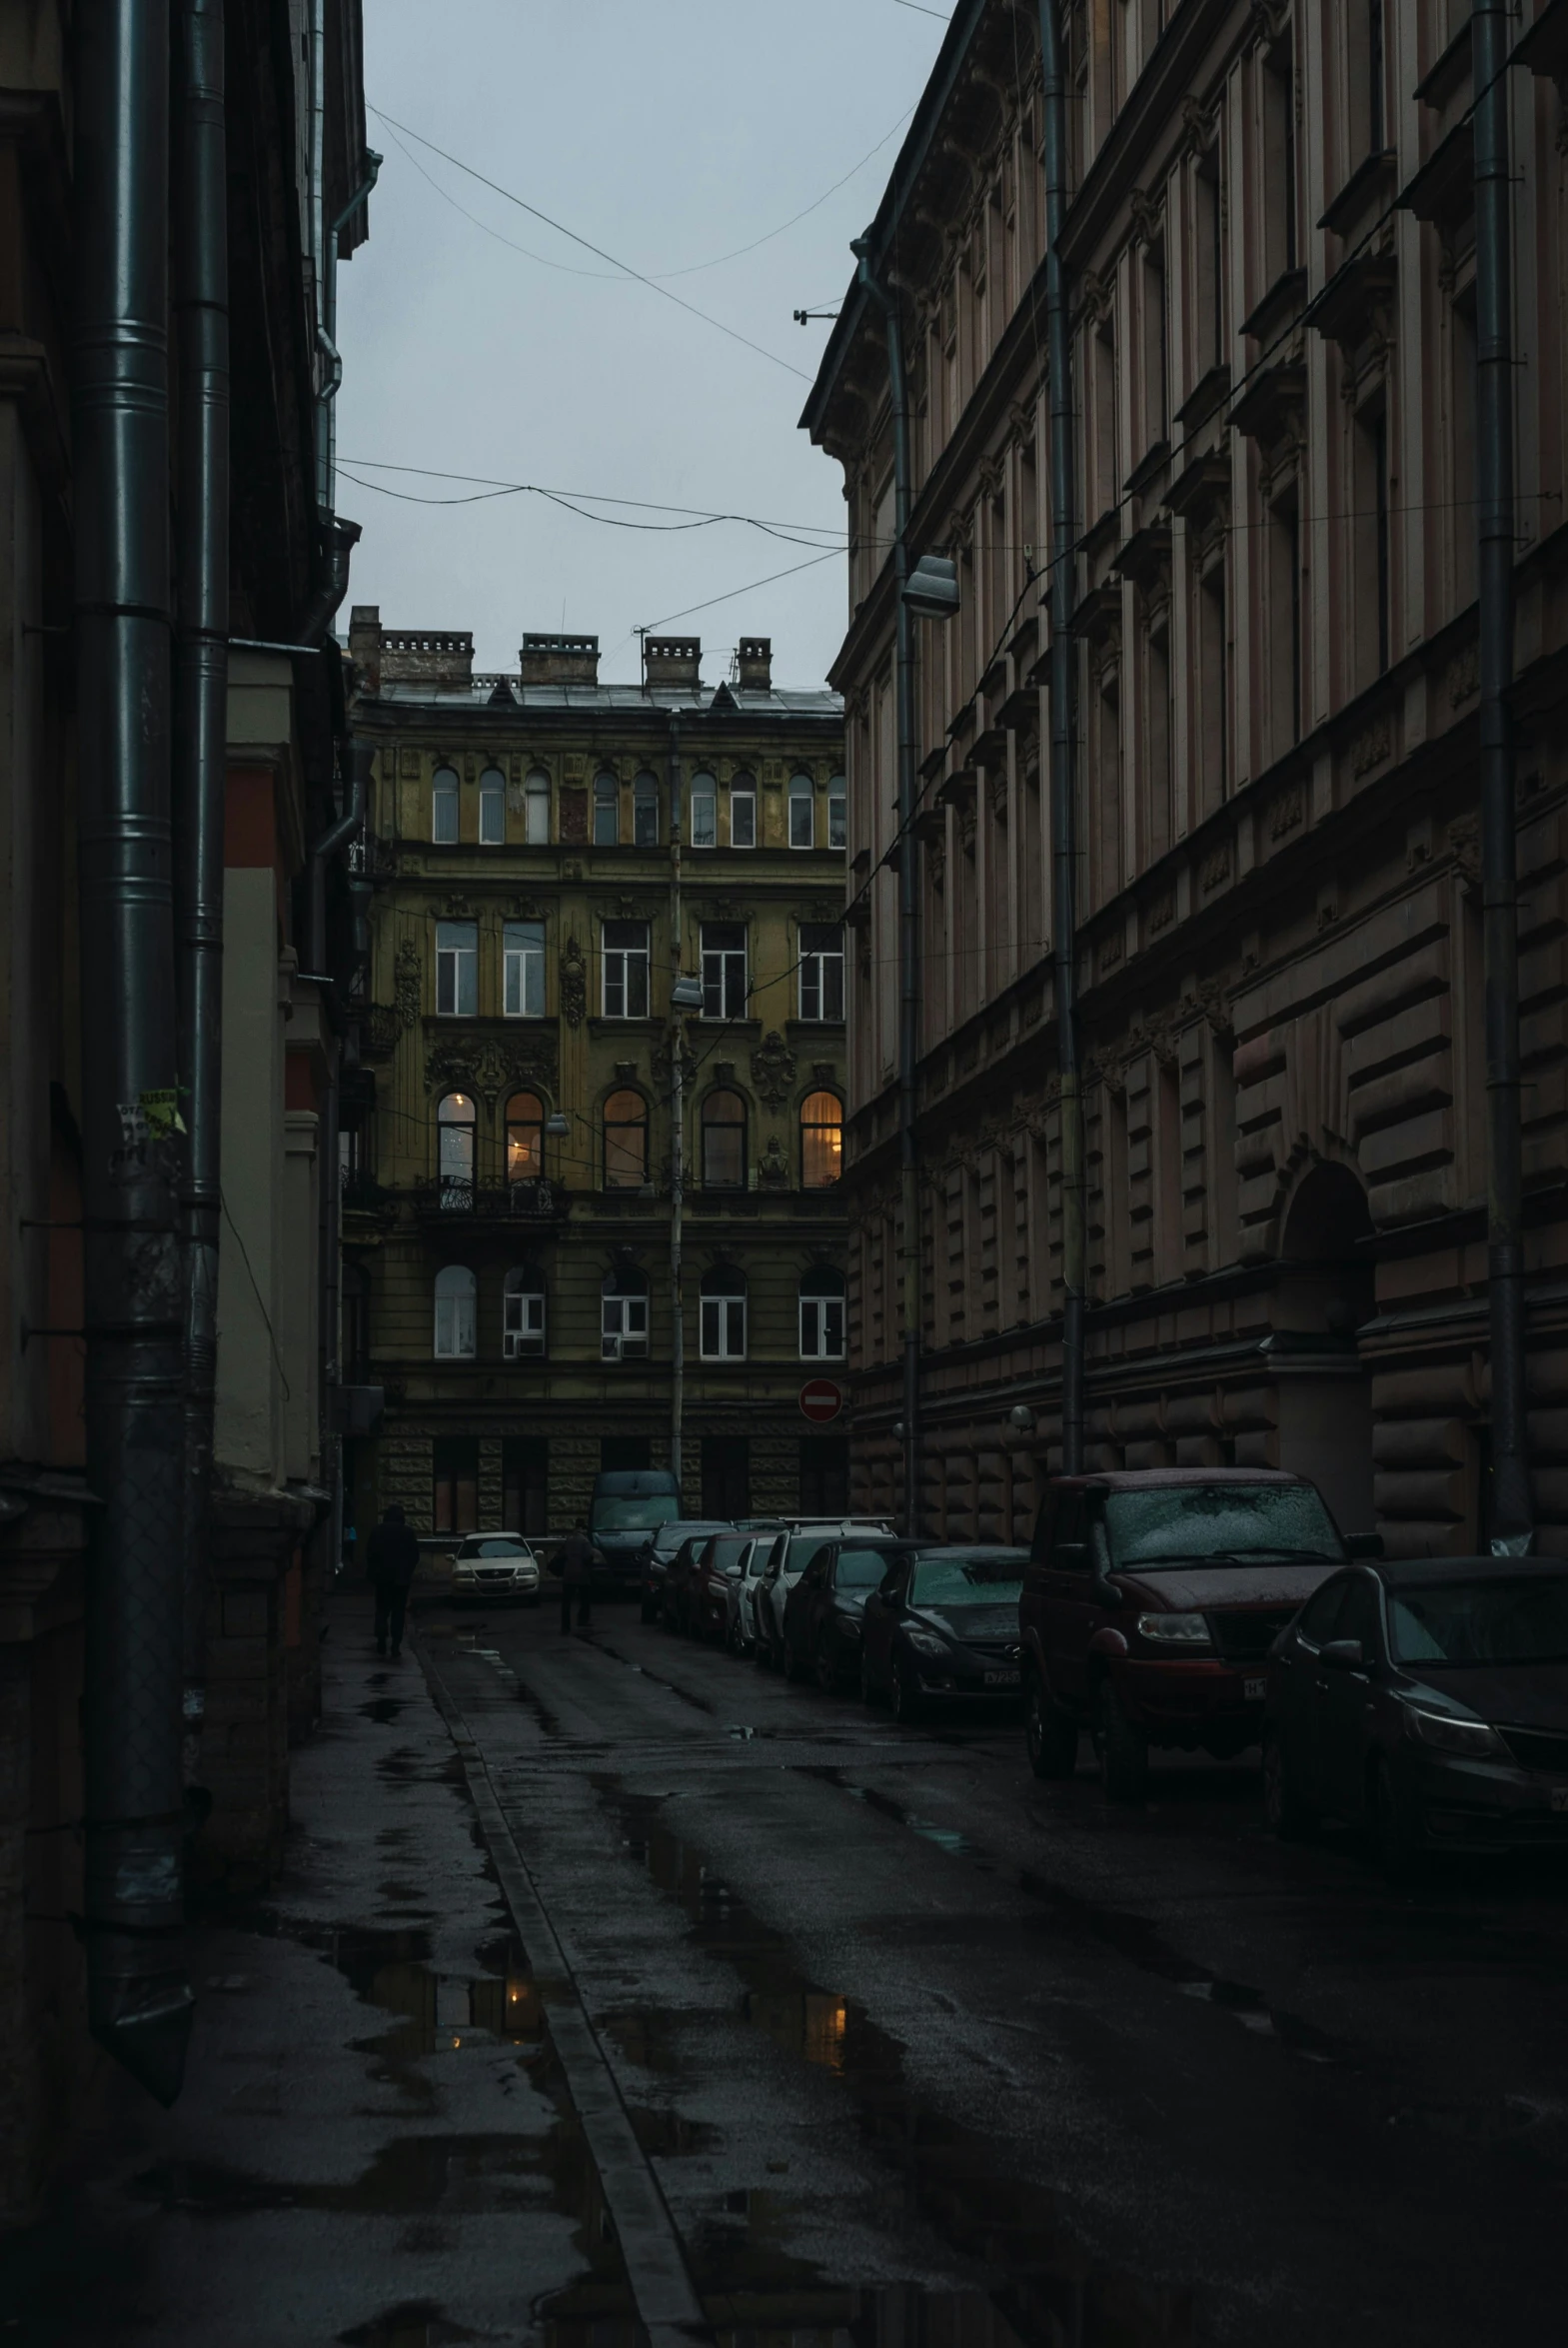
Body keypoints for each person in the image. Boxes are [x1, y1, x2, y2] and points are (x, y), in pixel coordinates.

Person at [365, 1503, 421, 1658]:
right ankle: (395, 1645)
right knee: (398, 1613)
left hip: (382, 1580)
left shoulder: (377, 1531)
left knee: (382, 1611)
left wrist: (373, 1574)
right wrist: (407, 1572)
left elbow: (370, 1554)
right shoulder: (408, 1533)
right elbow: (414, 1556)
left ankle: (381, 1640)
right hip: (401, 1581)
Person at [554, 1518, 600, 1632]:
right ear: (582, 1528)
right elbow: (588, 1557)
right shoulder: (585, 1541)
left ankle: (565, 1626)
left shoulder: (568, 1540)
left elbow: (561, 1555)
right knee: (585, 1598)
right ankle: (582, 1620)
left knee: (566, 1601)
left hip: (568, 1574)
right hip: (582, 1574)